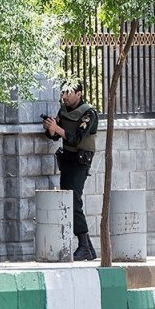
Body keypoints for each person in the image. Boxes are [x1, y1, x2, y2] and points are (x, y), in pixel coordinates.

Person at [43, 82, 99, 261]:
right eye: (62, 93)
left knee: (74, 201)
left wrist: (58, 129)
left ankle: (83, 246)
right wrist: (50, 128)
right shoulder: (64, 111)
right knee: (69, 200)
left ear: (79, 94)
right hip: (67, 160)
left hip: (80, 161)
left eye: (68, 93)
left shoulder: (88, 113)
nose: (64, 97)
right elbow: (55, 136)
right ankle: (88, 248)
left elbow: (76, 139)